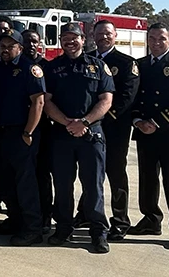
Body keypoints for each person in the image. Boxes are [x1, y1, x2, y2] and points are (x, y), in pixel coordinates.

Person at [43, 23, 114, 254]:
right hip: (62, 135)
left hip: (91, 135)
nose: (69, 42)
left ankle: (98, 232)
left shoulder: (98, 66)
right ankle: (63, 228)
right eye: (65, 38)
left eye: (74, 38)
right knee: (62, 186)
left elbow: (106, 100)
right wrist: (68, 123)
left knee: (93, 186)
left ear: (84, 40)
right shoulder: (52, 68)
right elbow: (47, 101)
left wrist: (83, 122)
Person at [129, 23, 169, 251]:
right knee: (147, 180)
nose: (156, 43)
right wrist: (137, 121)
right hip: (145, 133)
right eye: (152, 39)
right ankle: (150, 220)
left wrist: (156, 123)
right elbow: (134, 97)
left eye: (161, 39)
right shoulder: (140, 65)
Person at [73, 20, 140, 240]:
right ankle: (85, 213)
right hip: (89, 128)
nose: (103, 37)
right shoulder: (86, 59)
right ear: (93, 34)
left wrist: (100, 118)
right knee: (90, 173)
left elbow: (127, 97)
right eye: (99, 33)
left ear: (115, 35)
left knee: (116, 174)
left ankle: (120, 221)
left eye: (107, 34)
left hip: (114, 129)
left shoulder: (126, 62)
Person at [0, 30, 46, 247]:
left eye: (10, 46)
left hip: (22, 133)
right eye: (2, 46)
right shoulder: (0, 70)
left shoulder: (31, 69)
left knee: (25, 183)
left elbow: (38, 102)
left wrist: (28, 132)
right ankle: (15, 220)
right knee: (5, 182)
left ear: (20, 47)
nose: (5, 50)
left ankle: (32, 229)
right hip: (1, 133)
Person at [22, 29, 53, 234]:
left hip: (42, 128)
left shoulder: (48, 67)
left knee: (42, 174)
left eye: (34, 41)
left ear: (40, 43)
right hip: (18, 127)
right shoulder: (15, 65)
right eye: (26, 42)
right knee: (22, 175)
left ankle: (45, 217)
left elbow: (50, 97)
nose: (30, 45)